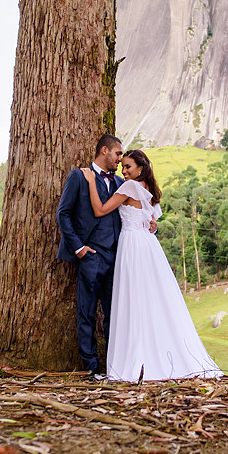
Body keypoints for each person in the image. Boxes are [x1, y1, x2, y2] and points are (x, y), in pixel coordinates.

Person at [80, 149, 223, 381]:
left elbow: (100, 210)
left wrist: (89, 182)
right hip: (148, 245)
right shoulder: (149, 189)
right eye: (123, 166)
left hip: (133, 246)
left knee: (134, 300)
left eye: (128, 167)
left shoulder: (128, 187)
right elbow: (152, 222)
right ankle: (153, 353)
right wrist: (153, 227)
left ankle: (137, 358)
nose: (123, 171)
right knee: (151, 298)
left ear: (140, 168)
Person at [56, 134, 140, 380]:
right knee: (87, 311)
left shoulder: (119, 182)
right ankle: (91, 367)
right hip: (90, 255)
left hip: (117, 257)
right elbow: (64, 214)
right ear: (105, 151)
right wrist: (79, 248)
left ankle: (115, 365)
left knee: (115, 313)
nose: (120, 160)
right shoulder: (79, 177)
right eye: (117, 154)